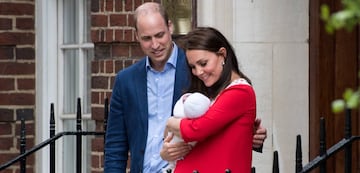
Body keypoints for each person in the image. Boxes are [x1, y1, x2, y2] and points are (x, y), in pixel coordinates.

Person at [104, 2, 267, 173]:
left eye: (159, 35)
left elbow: (218, 114)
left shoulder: (197, 68)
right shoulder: (126, 80)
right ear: (137, 36)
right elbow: (115, 145)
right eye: (147, 38)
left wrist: (249, 133)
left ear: (170, 26)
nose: (155, 45)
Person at [161, 27, 257, 173]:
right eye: (193, 66)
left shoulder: (240, 91)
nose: (198, 72)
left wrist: (170, 122)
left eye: (203, 63)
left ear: (222, 54)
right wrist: (168, 151)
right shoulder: (210, 92)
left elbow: (197, 129)